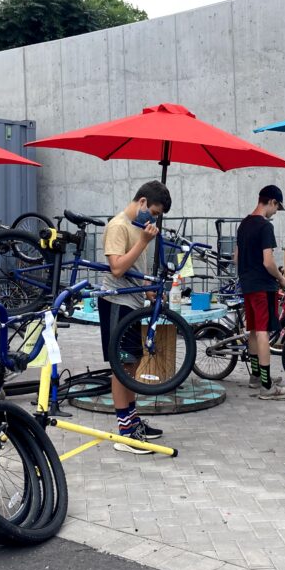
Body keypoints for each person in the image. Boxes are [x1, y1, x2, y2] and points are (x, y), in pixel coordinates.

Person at [100, 180, 171, 453]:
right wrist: (143, 241)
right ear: (142, 202)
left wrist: (146, 289)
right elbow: (117, 268)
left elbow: (133, 270)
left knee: (131, 365)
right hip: (116, 302)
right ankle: (125, 433)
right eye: (153, 212)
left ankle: (133, 421)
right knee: (121, 367)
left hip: (132, 302)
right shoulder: (118, 226)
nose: (153, 219)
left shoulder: (137, 227)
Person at [234, 185, 285, 400]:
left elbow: (236, 258)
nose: (275, 212)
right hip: (262, 286)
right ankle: (267, 387)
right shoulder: (265, 226)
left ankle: (256, 376)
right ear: (272, 202)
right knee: (263, 332)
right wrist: (281, 278)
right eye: (277, 208)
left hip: (247, 284)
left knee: (253, 330)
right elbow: (268, 262)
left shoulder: (244, 224)